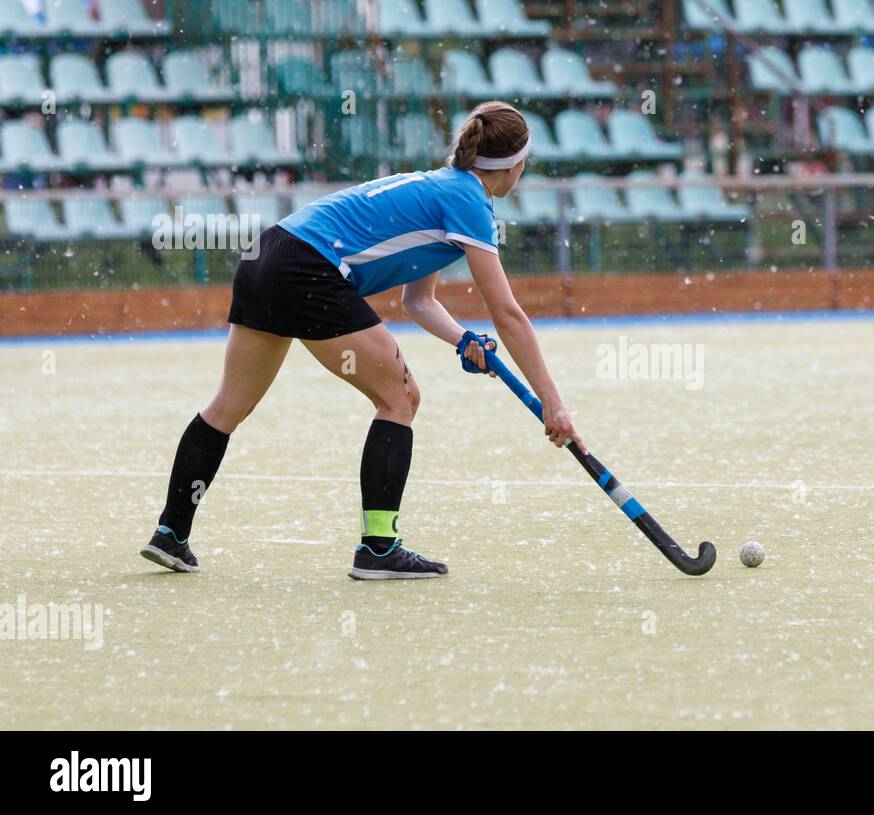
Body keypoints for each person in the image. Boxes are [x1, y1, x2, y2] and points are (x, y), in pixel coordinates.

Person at [141, 101, 585, 580]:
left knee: (227, 407)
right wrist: (553, 404)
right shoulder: (469, 201)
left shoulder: (442, 186)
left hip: (265, 255)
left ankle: (171, 534)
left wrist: (463, 340)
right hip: (309, 269)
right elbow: (510, 315)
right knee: (402, 397)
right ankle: (378, 548)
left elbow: (420, 301)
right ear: (516, 165)